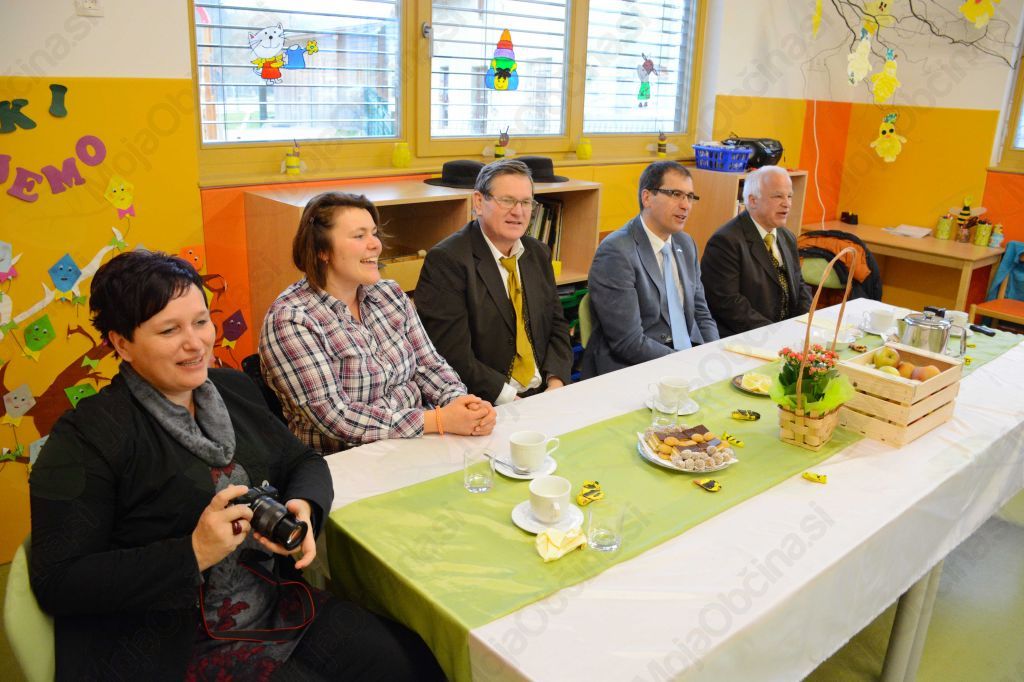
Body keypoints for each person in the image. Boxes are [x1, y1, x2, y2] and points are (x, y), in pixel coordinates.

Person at [29, 251, 443, 681]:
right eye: (169, 330)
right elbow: (57, 580)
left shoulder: (232, 390)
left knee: (409, 660)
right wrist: (193, 552)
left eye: (200, 322)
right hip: (172, 642)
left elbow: (302, 460)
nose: (195, 343)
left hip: (274, 606)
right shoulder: (88, 436)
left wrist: (304, 505)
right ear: (121, 344)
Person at [259, 192, 496, 453]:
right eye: (359, 236)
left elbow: (429, 365)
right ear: (322, 251)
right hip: (346, 460)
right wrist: (438, 420)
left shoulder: (389, 294)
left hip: (418, 443)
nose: (376, 245)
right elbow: (337, 418)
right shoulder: (290, 319)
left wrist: (463, 404)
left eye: (374, 233)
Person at [414, 159, 573, 404]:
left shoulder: (538, 253)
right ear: (479, 202)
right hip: (489, 401)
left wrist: (556, 383)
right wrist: (513, 400)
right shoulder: (447, 261)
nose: (518, 212)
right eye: (507, 200)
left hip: (545, 394)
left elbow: (557, 325)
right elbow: (451, 355)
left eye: (526, 202)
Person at [581, 161, 718, 378]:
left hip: (686, 359)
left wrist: (713, 354)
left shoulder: (686, 244)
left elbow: (702, 313)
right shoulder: (617, 251)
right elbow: (628, 342)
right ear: (647, 198)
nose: (686, 205)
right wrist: (684, 364)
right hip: (634, 367)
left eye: (690, 196)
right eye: (676, 194)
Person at [700, 165, 812, 337]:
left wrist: (802, 324)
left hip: (785, 335)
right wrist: (776, 334)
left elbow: (799, 285)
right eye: (778, 196)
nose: (787, 203)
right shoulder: (725, 241)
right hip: (744, 338)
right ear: (752, 200)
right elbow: (728, 304)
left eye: (789, 196)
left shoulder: (787, 236)